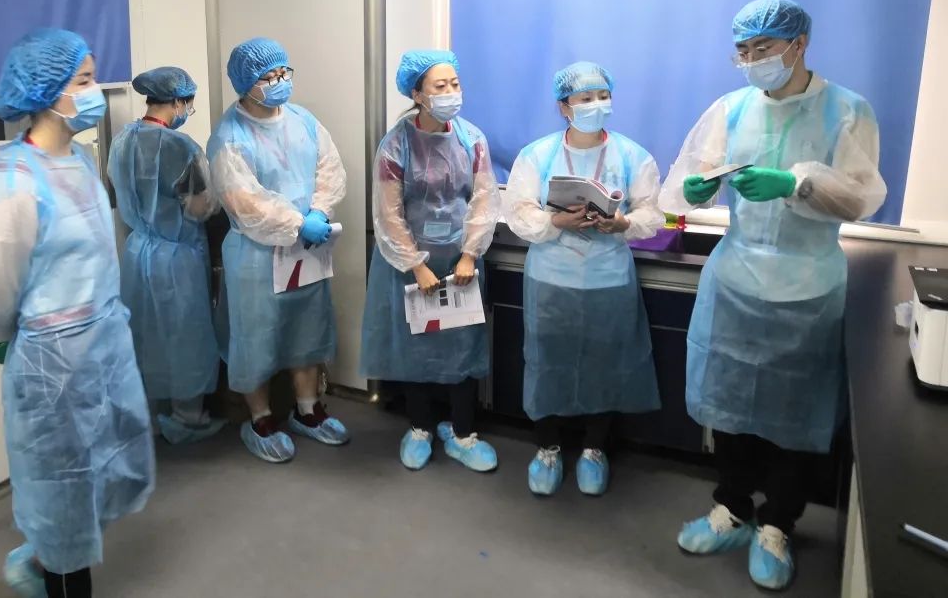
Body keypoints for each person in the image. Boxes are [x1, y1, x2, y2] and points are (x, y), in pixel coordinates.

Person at [659, 0, 887, 591]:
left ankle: (778, 523)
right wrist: (694, 190)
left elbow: (862, 197)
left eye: (763, 48)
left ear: (799, 44)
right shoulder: (731, 109)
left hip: (808, 287)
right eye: (743, 50)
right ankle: (732, 507)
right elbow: (680, 186)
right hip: (736, 281)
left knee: (796, 416)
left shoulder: (846, 110)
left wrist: (796, 182)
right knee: (730, 407)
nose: (752, 59)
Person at [0, 29, 155, 598]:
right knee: (61, 483)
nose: (96, 92)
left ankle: (47, 559)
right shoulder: (12, 180)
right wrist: (1, 331)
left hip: (105, 343)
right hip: (53, 359)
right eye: (85, 80)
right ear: (48, 91)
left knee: (110, 463)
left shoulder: (80, 159)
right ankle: (58, 571)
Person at [504, 61, 663, 496]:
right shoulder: (537, 155)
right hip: (551, 278)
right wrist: (555, 221)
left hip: (608, 278)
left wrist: (623, 223)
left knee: (605, 365)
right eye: (585, 98)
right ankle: (548, 447)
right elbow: (518, 213)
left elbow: (653, 214)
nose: (596, 104)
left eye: (602, 96)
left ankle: (594, 449)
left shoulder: (632, 156)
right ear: (564, 106)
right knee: (546, 362)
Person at [207, 38, 349, 463]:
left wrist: (319, 210)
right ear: (245, 84)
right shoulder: (230, 136)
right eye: (269, 77)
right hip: (256, 255)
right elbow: (243, 201)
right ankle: (261, 418)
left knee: (307, 328)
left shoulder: (303, 120)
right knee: (256, 337)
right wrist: (295, 222)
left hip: (307, 248)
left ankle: (308, 410)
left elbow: (329, 168)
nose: (280, 81)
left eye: (284, 72)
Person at [360, 50, 501, 473]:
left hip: (461, 263)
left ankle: (462, 433)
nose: (451, 92)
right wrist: (416, 265)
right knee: (416, 345)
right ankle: (419, 427)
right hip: (409, 262)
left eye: (455, 83)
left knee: (462, 345)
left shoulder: (471, 139)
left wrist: (469, 255)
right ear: (417, 94)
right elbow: (388, 214)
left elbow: (484, 201)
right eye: (440, 86)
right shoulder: (396, 144)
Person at [108, 67, 224, 445]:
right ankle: (187, 417)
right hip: (176, 257)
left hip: (137, 251)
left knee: (144, 334)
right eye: (188, 103)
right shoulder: (181, 148)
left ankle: (150, 417)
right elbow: (200, 208)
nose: (188, 110)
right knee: (183, 336)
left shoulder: (121, 140)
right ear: (177, 102)